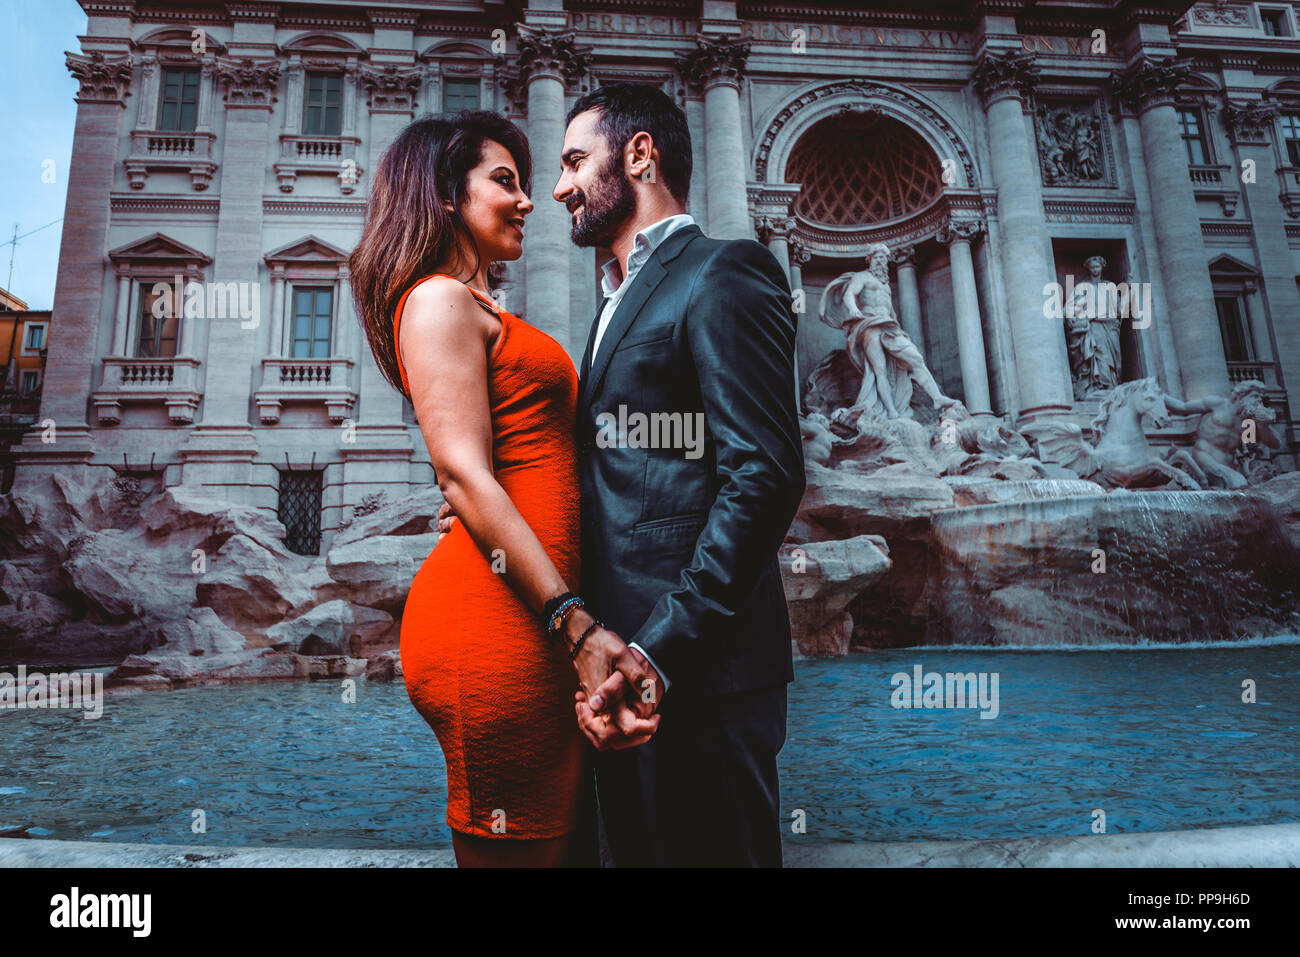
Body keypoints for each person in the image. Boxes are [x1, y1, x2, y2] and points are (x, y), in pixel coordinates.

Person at [443, 83, 806, 866]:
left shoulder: (723, 271)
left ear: (639, 154)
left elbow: (764, 475)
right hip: (614, 669)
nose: (560, 187)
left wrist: (660, 650)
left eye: (575, 161)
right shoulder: (613, 300)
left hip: (697, 673)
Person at [348, 110, 658, 868]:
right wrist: (575, 626)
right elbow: (462, 473)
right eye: (505, 182)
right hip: (500, 624)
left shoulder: (479, 305)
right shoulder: (437, 301)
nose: (529, 200)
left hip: (532, 621)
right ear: (446, 195)